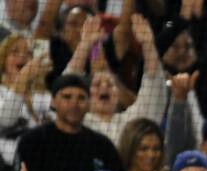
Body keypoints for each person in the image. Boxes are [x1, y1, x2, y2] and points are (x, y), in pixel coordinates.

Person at [65, 15, 168, 145]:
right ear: (86, 96)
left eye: (110, 84)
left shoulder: (130, 121)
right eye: (97, 84)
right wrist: (84, 45)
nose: (104, 87)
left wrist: (148, 45)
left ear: (118, 95)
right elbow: (65, 87)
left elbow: (154, 93)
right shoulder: (77, 121)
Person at [0, 34, 52, 165]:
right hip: (7, 164)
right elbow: (4, 120)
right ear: (4, 60)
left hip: (43, 158)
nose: (22, 56)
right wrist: (22, 80)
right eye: (15, 51)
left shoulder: (43, 96)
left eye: (28, 53)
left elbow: (67, 107)